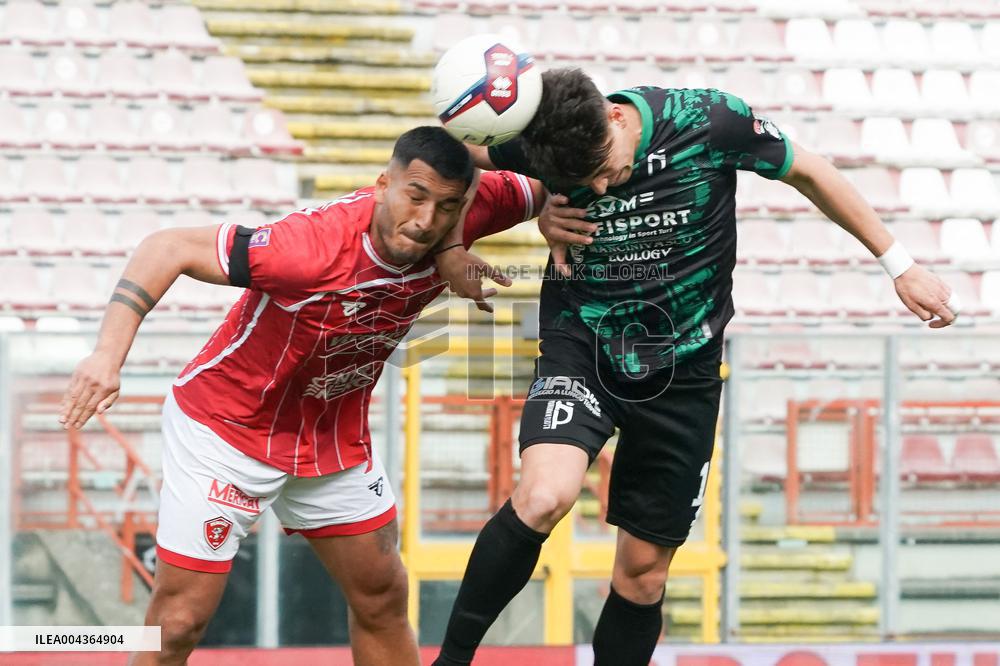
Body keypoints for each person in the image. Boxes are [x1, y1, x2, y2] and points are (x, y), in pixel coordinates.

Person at [433, 69, 959, 666]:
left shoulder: (708, 121)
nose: (604, 188)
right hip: (583, 341)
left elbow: (811, 170)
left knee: (643, 574)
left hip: (684, 367)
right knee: (543, 496)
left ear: (613, 115)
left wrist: (900, 265)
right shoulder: (540, 137)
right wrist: (479, 236)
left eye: (608, 168)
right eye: (586, 182)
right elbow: (444, 148)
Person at [58, 126, 543, 666]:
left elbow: (566, 174)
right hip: (226, 432)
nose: (426, 220)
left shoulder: (468, 210)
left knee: (383, 596)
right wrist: (107, 355)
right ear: (384, 183)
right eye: (415, 197)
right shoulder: (307, 248)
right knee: (178, 625)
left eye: (447, 207)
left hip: (332, 442)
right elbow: (167, 246)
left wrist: (548, 218)